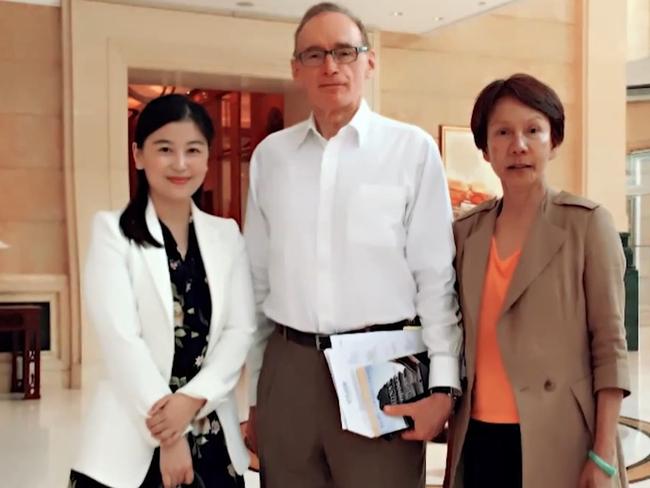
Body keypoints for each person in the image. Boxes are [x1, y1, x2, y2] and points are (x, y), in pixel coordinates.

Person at [243, 3, 462, 487]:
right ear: (295, 68)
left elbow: (435, 276)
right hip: (288, 365)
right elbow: (256, 281)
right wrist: (254, 396)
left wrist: (444, 384)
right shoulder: (270, 159)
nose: (330, 66)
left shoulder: (411, 151)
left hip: (379, 365)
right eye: (314, 54)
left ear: (369, 61)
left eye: (344, 51)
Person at [445, 73, 631, 488]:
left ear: (554, 140)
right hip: (478, 437)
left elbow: (609, 348)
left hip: (561, 440)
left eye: (533, 130)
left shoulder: (586, 224)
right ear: (485, 148)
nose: (519, 146)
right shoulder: (465, 233)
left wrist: (602, 457)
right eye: (503, 133)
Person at [70, 94, 256, 488]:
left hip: (211, 436)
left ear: (208, 158)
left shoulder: (226, 235)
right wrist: (170, 433)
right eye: (164, 149)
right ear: (138, 155)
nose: (180, 164)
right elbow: (121, 339)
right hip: (133, 436)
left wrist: (190, 404)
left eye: (193, 150)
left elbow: (239, 332)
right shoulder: (113, 232)